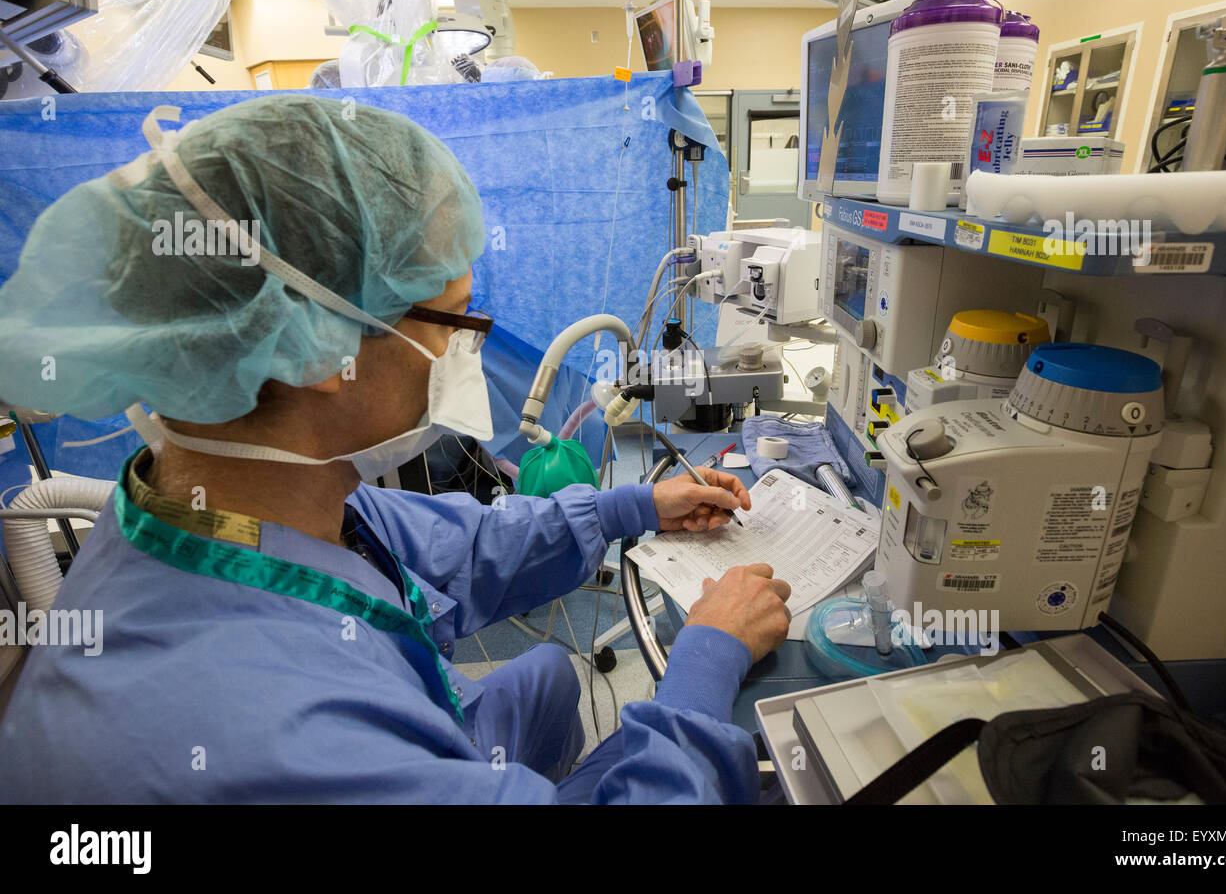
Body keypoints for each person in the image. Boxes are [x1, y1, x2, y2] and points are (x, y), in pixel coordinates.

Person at [0, 94, 791, 803]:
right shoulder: (273, 740)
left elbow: (455, 546)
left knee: (550, 678)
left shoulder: (224, 496)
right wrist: (705, 661)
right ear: (317, 349)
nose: (463, 351)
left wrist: (636, 505)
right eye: (455, 319)